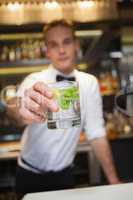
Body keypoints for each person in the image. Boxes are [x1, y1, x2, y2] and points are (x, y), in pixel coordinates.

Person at [7, 20, 120, 197]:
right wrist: (20, 109)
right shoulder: (34, 80)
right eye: (54, 45)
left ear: (76, 45)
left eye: (66, 42)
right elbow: (15, 111)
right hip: (29, 174)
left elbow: (96, 133)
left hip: (64, 176)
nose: (61, 50)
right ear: (47, 50)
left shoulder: (89, 83)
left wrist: (114, 181)